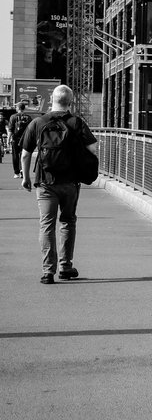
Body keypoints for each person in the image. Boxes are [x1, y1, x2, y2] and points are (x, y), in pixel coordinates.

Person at [21, 85, 98, 284]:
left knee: (46, 225)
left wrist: (26, 177)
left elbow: (25, 153)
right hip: (71, 182)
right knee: (68, 221)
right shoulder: (76, 122)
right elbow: (93, 148)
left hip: (45, 182)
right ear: (70, 102)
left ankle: (48, 271)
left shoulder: (38, 122)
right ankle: (65, 266)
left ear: (51, 99)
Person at [8, 102, 35, 178]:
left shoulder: (13, 117)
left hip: (15, 139)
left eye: (16, 107)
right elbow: (31, 130)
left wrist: (8, 140)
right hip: (25, 138)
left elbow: (10, 129)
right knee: (24, 155)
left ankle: (16, 173)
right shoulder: (28, 117)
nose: (15, 108)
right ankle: (23, 170)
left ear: (18, 108)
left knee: (15, 155)